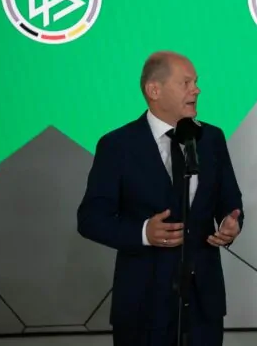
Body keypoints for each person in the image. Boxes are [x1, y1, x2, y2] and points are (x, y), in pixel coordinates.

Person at [77, 51, 244, 346]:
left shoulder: (212, 139)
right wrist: (143, 232)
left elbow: (229, 201)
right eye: (186, 83)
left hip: (203, 305)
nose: (196, 90)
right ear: (154, 90)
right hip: (143, 305)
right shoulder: (118, 145)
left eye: (196, 82)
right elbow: (90, 219)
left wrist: (231, 224)